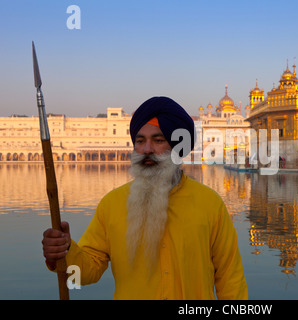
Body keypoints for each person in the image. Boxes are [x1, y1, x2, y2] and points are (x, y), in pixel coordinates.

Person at [42, 96, 248, 300]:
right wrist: (65, 252)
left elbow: (230, 279)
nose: (147, 149)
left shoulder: (209, 204)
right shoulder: (112, 204)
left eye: (158, 140)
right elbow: (83, 275)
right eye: (140, 141)